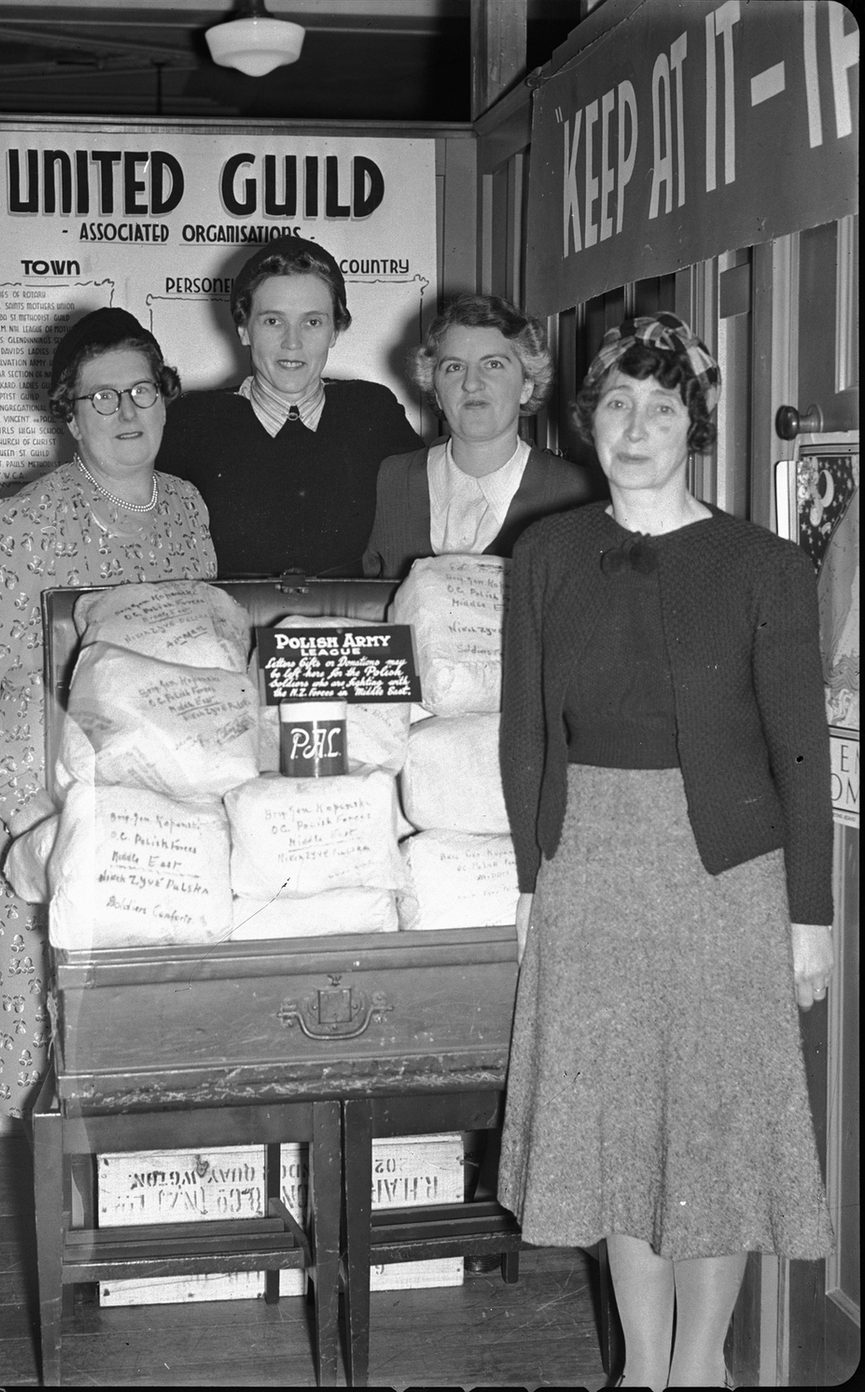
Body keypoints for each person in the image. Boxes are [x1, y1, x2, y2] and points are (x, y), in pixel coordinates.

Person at [496, 313, 834, 1389]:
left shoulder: (764, 565)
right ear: (584, 418)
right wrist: (528, 881)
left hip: (726, 874)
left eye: (662, 405)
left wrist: (810, 919)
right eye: (614, 404)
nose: (636, 427)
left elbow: (798, 750)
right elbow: (521, 737)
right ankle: (640, 1367)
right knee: (614, 1128)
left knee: (716, 1130)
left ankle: (700, 1367)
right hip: (588, 864)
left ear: (695, 423)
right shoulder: (544, 555)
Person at [0, 308, 216, 1116]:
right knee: (51, 1052)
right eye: (101, 397)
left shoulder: (187, 508)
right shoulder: (23, 522)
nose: (125, 412)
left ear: (166, 397)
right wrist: (19, 803)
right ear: (70, 416)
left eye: (141, 390)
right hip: (38, 802)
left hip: (152, 799)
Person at [160, 234, 421, 577]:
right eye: (273, 321)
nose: (292, 342)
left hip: (347, 622)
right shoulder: (191, 422)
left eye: (312, 322)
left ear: (334, 332)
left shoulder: (372, 411)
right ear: (243, 328)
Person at [362, 294, 596, 578]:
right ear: (435, 388)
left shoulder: (579, 494)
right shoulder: (390, 480)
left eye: (493, 364)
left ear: (527, 385)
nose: (471, 384)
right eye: (454, 367)